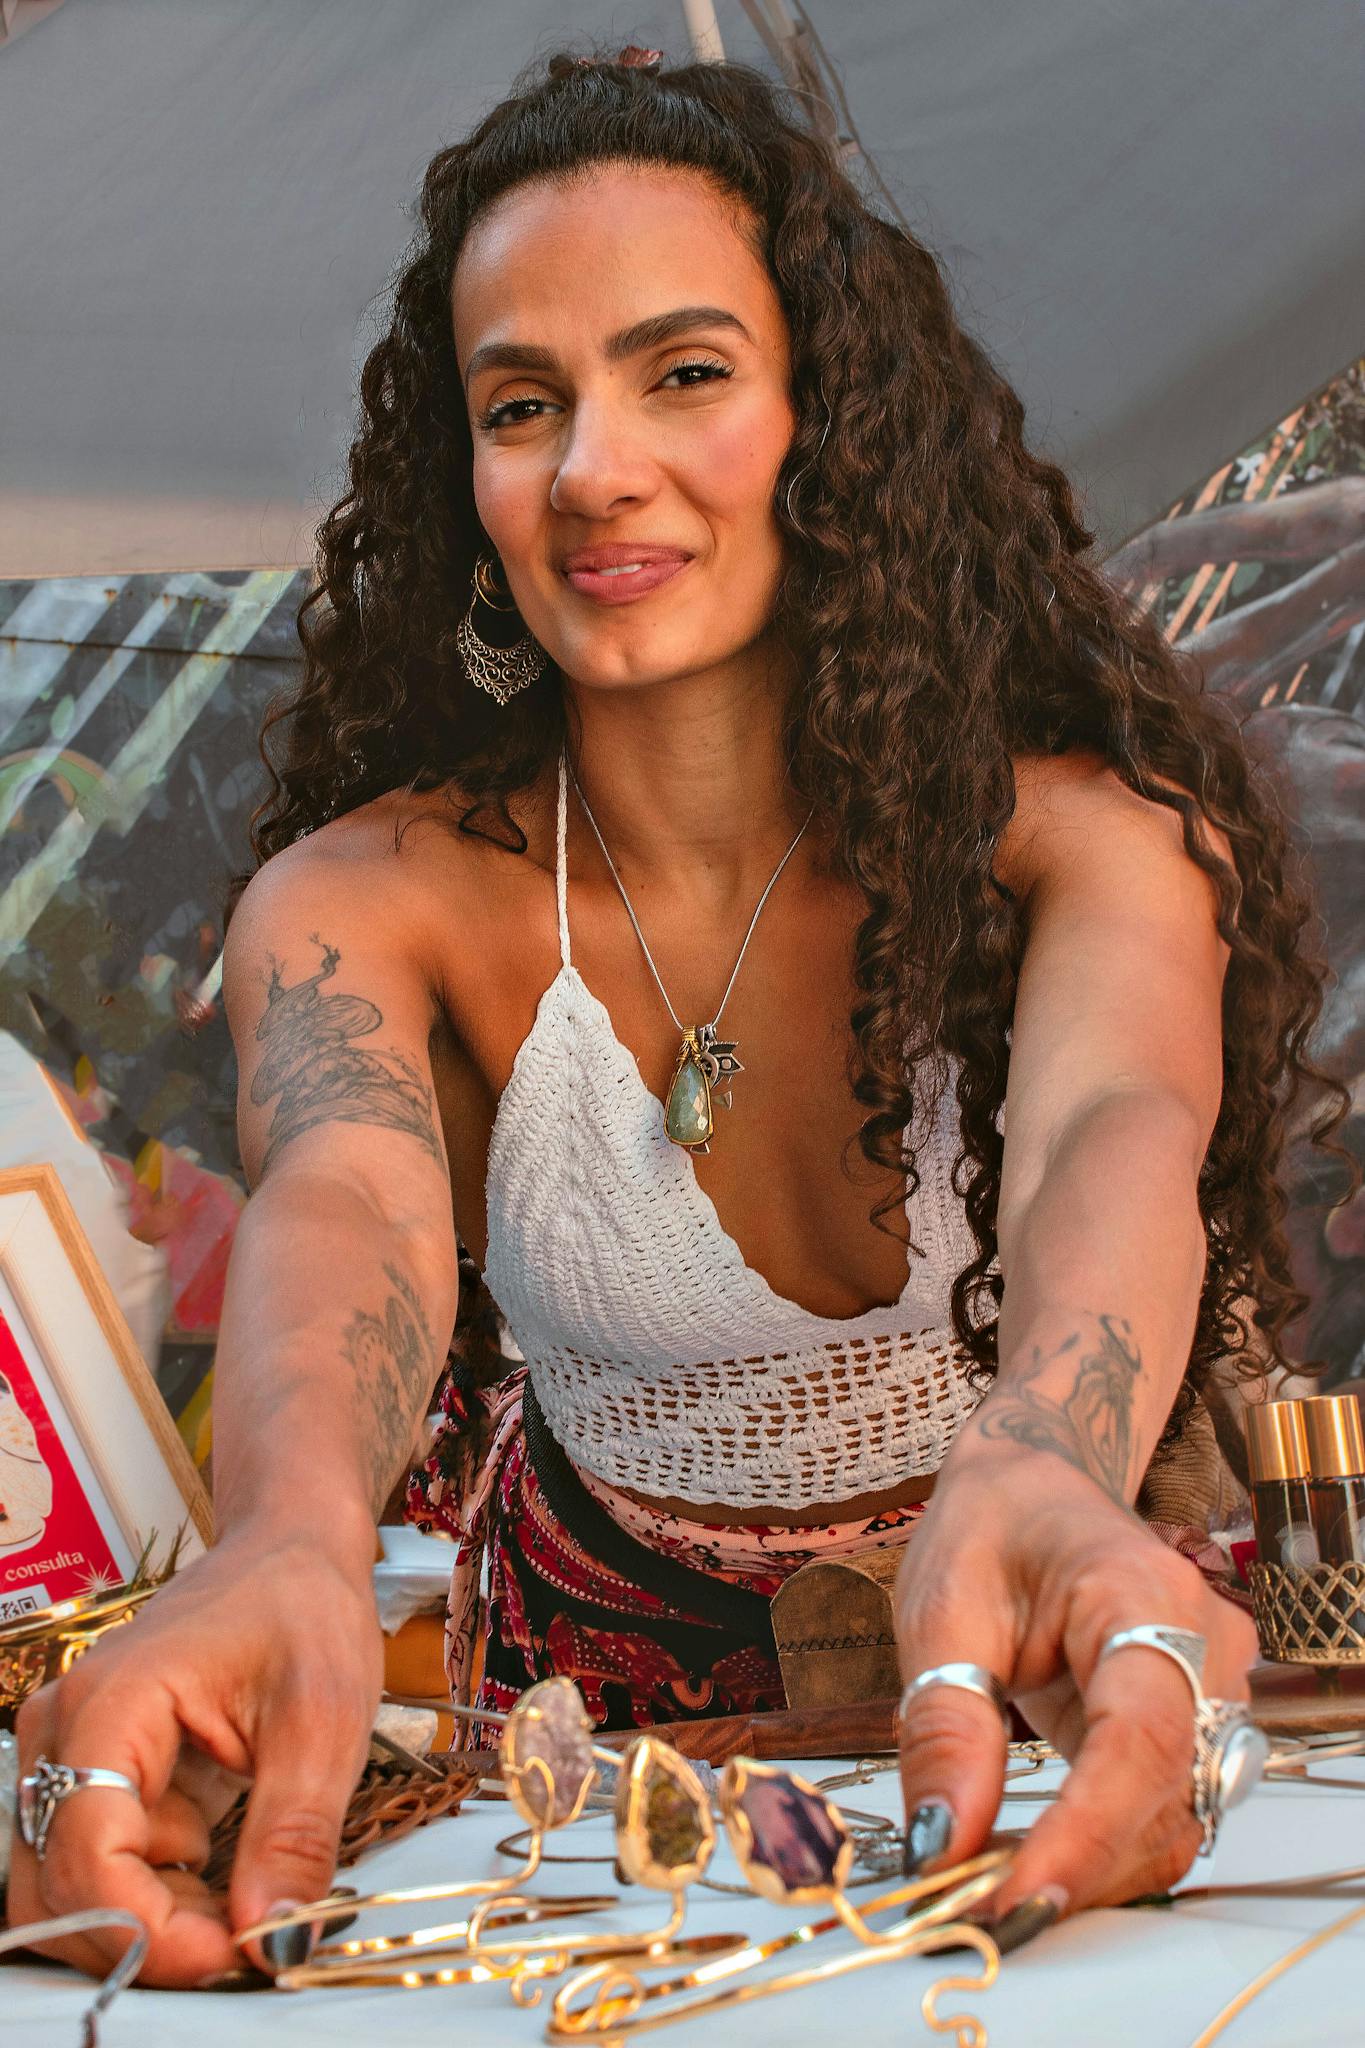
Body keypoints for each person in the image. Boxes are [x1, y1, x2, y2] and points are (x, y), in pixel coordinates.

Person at [7, 46, 1348, 1989]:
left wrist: (1046, 1460)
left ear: (828, 420)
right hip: (569, 1798)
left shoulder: (1084, 838)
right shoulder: (360, 899)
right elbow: (346, 1197)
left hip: (1056, 1687)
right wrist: (283, 1541)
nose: (591, 470)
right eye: (520, 403)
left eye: (684, 371)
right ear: (459, 476)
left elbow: (1108, 1125)